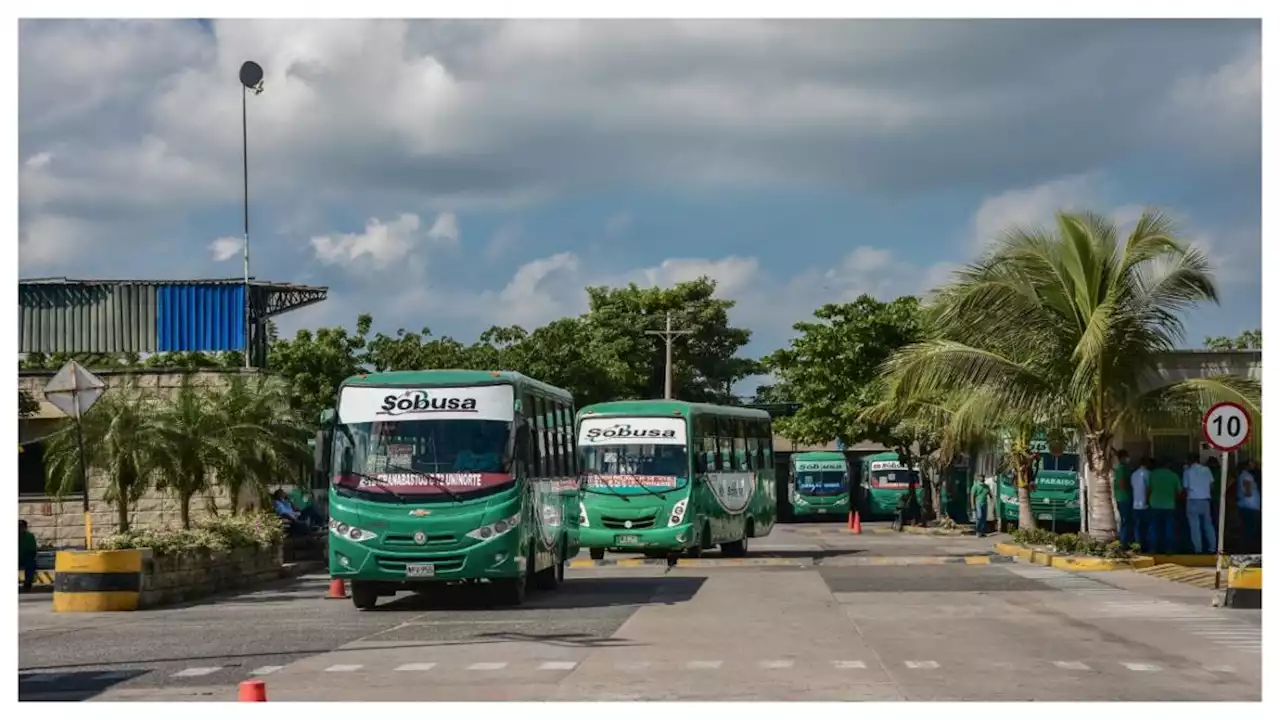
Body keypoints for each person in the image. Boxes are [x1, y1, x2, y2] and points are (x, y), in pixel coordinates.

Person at [1183, 453, 1216, 554]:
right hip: (1205, 500)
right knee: (1208, 525)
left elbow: (1185, 487)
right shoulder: (1206, 470)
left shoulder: (1187, 472)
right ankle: (1212, 548)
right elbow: (1212, 486)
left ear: (1189, 461)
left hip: (1192, 500)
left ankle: (1198, 549)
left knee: (1195, 526)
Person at [1146, 460, 1181, 554]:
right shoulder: (1173, 475)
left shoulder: (1153, 474)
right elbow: (1179, 492)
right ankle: (1169, 549)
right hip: (1169, 505)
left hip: (1154, 504)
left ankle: (1153, 549)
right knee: (1169, 529)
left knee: (1154, 528)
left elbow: (1148, 489)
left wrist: (1147, 500)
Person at [1237, 459, 1261, 552]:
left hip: (1246, 505)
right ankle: (1249, 548)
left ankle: (1246, 547)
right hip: (1251, 505)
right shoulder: (1247, 476)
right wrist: (1248, 493)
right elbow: (1248, 491)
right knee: (1251, 528)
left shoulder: (1242, 475)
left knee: (1246, 528)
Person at [1129, 457, 1151, 552]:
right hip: (1145, 504)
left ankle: (1138, 546)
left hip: (1135, 504)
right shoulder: (1148, 474)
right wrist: (1148, 501)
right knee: (1148, 527)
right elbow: (1148, 489)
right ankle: (1147, 546)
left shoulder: (1134, 474)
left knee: (1138, 527)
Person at [1113, 450, 1133, 546]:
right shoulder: (1121, 468)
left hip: (1121, 497)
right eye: (1127, 457)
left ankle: (1124, 540)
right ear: (1123, 457)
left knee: (1126, 520)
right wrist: (1130, 488)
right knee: (1125, 520)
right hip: (1124, 497)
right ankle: (1123, 542)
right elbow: (1121, 483)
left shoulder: (1122, 468)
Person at [19, 520, 38, 593]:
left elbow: (33, 550)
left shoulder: (30, 536)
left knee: (31, 564)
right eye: (19, 527)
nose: (20, 529)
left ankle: (27, 584)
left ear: (25, 528)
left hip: (26, 558)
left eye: (22, 527)